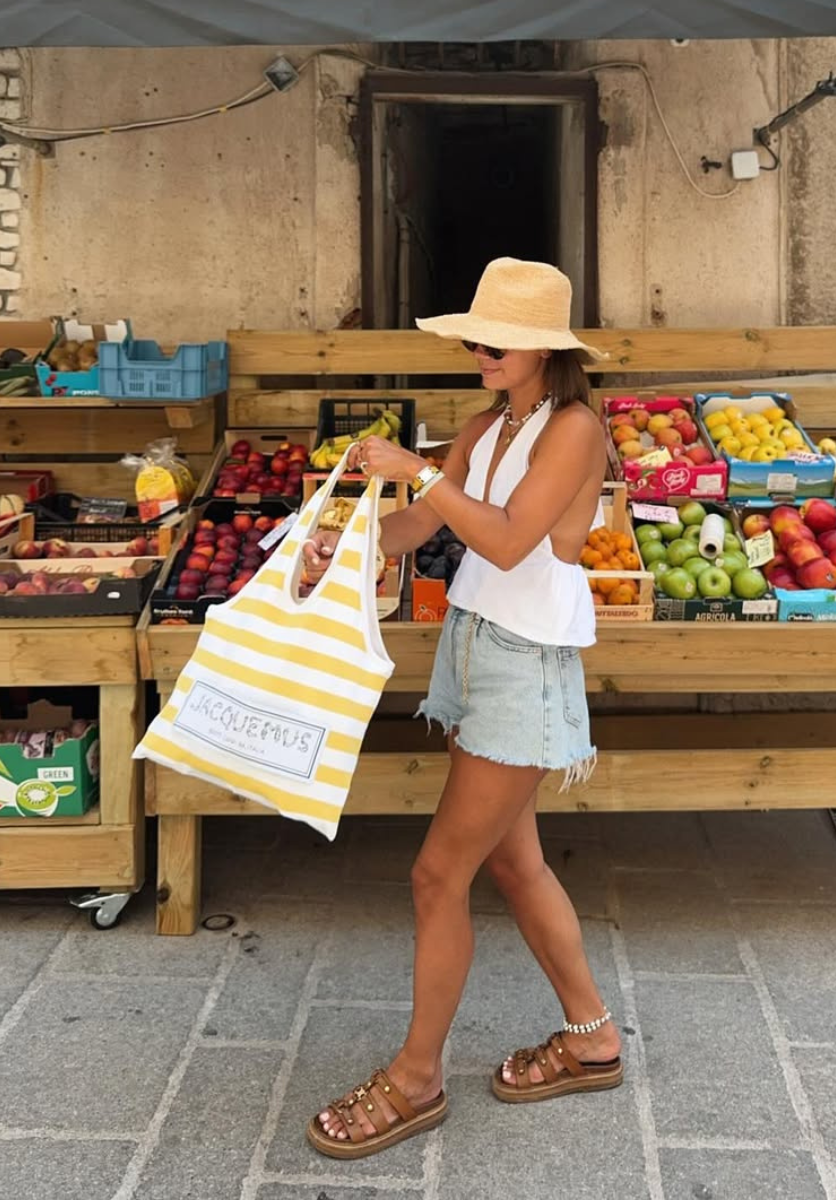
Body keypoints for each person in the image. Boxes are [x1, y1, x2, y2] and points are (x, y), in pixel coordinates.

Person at [303, 257, 622, 1160]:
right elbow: (422, 526)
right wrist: (338, 539)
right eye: (473, 336)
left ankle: (415, 1078)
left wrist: (418, 470)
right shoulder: (487, 426)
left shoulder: (577, 430)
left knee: (438, 875)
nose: (478, 349)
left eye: (496, 339)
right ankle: (593, 1037)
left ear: (542, 349)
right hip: (475, 647)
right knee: (515, 866)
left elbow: (515, 542)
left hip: (525, 662)